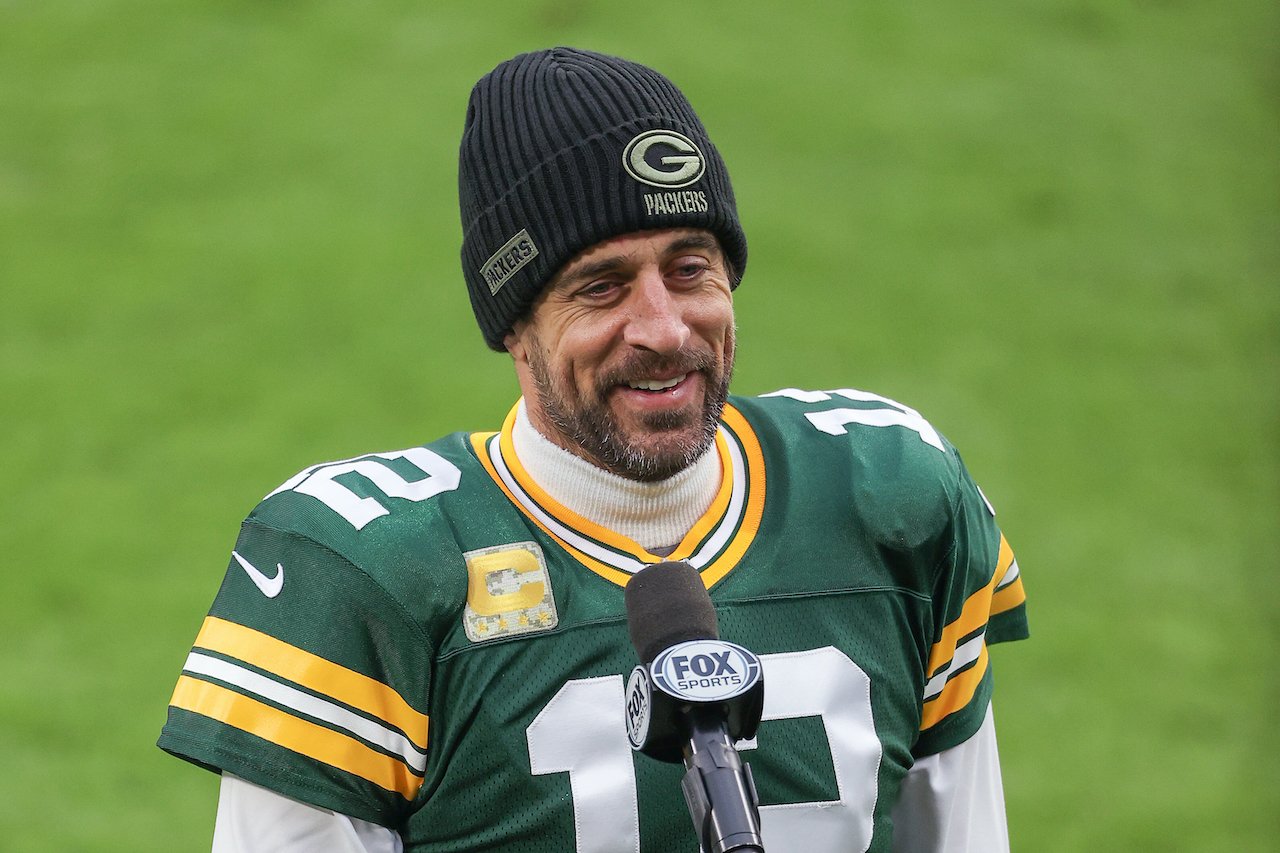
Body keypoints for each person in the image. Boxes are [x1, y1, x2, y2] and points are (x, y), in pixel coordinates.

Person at [158, 47, 1028, 852]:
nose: (662, 327)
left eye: (691, 267)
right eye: (601, 286)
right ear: (515, 327)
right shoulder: (360, 572)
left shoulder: (889, 496)